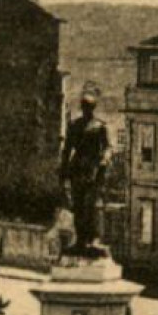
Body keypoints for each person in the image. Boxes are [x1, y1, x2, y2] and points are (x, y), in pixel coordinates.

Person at [60, 84, 110, 253]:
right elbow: (67, 149)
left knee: (92, 205)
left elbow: (108, 147)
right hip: (77, 169)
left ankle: (93, 239)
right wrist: (63, 170)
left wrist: (104, 160)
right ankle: (80, 240)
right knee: (78, 205)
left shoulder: (99, 126)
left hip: (93, 170)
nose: (86, 110)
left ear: (93, 108)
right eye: (84, 107)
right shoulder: (74, 126)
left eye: (89, 107)